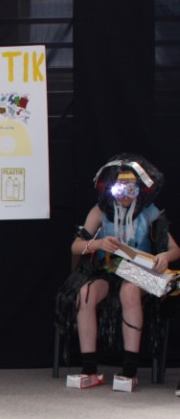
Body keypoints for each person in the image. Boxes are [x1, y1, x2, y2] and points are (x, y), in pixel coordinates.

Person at [58, 154, 179, 384]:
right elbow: (76, 246)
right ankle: (89, 369)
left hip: (137, 273)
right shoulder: (100, 212)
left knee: (129, 291)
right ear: (110, 189)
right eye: (119, 189)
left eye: (131, 189)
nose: (125, 195)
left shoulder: (149, 212)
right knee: (85, 293)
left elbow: (175, 249)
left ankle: (129, 371)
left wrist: (163, 256)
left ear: (140, 190)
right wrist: (98, 244)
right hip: (107, 271)